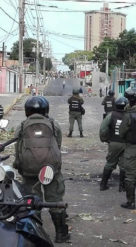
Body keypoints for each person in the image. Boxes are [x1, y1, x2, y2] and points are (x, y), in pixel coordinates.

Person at [13, 96, 70, 243]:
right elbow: (57, 144)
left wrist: (21, 166)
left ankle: (35, 234)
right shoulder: (53, 124)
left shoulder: (21, 126)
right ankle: (60, 234)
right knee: (55, 199)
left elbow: (17, 149)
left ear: (27, 111)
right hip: (50, 170)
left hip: (29, 170)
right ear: (46, 110)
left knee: (32, 201)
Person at [99, 96, 129, 192]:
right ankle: (122, 186)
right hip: (126, 144)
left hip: (114, 143)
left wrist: (105, 139)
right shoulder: (129, 116)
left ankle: (103, 185)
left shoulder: (111, 115)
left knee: (110, 164)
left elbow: (103, 129)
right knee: (124, 165)